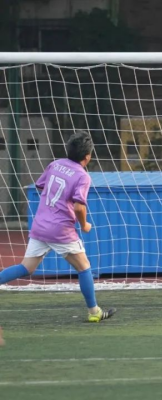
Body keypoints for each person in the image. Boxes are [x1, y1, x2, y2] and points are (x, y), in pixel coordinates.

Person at [0, 131, 116, 323]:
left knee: (26, 267)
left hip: (40, 225)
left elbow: (41, 187)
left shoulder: (55, 164)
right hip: (61, 230)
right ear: (88, 157)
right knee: (84, 267)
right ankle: (94, 311)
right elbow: (79, 207)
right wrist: (84, 225)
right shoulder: (83, 176)